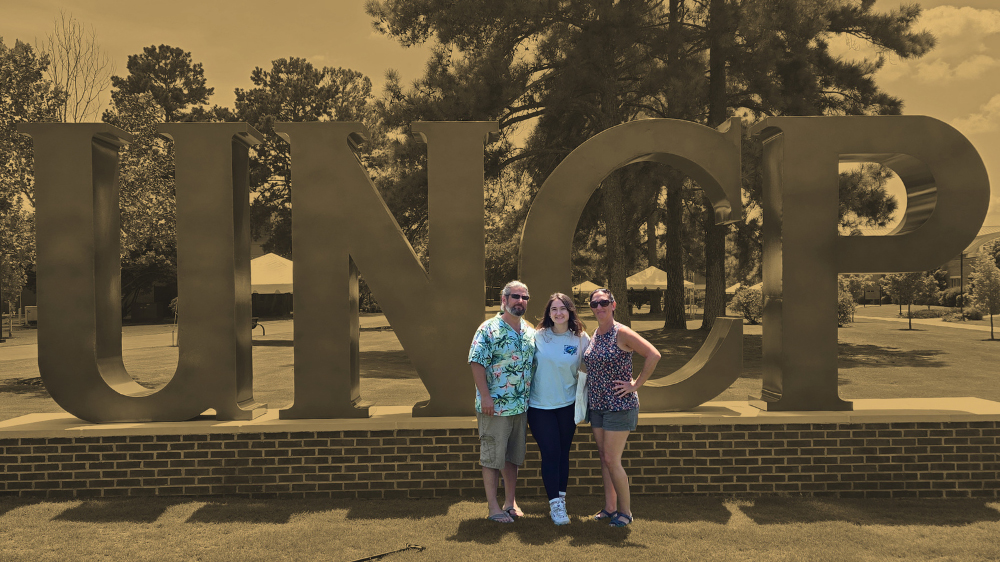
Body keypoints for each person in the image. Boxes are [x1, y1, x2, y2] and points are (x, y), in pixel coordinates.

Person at [583, 287, 661, 528]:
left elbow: (653, 354)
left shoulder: (622, 332)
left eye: (604, 302)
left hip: (619, 405)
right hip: (597, 406)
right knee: (604, 458)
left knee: (612, 459)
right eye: (594, 303)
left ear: (613, 305)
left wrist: (635, 384)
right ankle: (609, 507)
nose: (599, 307)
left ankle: (625, 513)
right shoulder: (595, 334)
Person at [468, 280, 536, 523]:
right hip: (494, 407)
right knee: (492, 457)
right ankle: (493, 507)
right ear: (504, 300)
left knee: (512, 457)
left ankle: (510, 502)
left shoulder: (528, 331)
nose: (520, 301)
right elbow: (476, 362)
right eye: (515, 296)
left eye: (524, 297)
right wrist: (485, 396)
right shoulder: (488, 329)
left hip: (520, 406)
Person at [527, 293, 590, 525]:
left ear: (570, 311)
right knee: (551, 452)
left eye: (563, 308)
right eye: (554, 309)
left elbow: (596, 363)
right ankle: (555, 505)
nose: (558, 313)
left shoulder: (581, 339)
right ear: (548, 313)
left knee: (563, 454)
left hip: (567, 406)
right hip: (539, 406)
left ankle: (561, 501)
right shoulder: (538, 336)